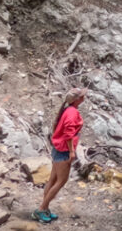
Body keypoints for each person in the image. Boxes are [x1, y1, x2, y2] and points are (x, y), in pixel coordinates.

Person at [34, 87, 86, 223]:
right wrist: (72, 151)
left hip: (58, 148)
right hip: (63, 150)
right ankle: (41, 209)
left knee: (53, 179)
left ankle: (45, 209)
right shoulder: (72, 112)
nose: (84, 97)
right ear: (77, 100)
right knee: (61, 181)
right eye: (82, 96)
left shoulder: (68, 110)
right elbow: (68, 134)